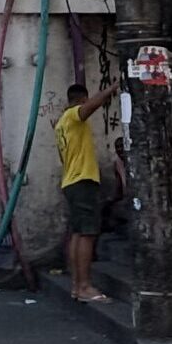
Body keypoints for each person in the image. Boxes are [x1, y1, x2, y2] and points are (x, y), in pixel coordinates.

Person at [54, 80, 117, 303]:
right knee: (87, 234)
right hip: (82, 181)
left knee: (78, 234)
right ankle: (84, 286)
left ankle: (76, 286)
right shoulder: (73, 116)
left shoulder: (61, 125)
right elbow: (90, 107)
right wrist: (112, 88)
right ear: (82, 99)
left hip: (71, 181)